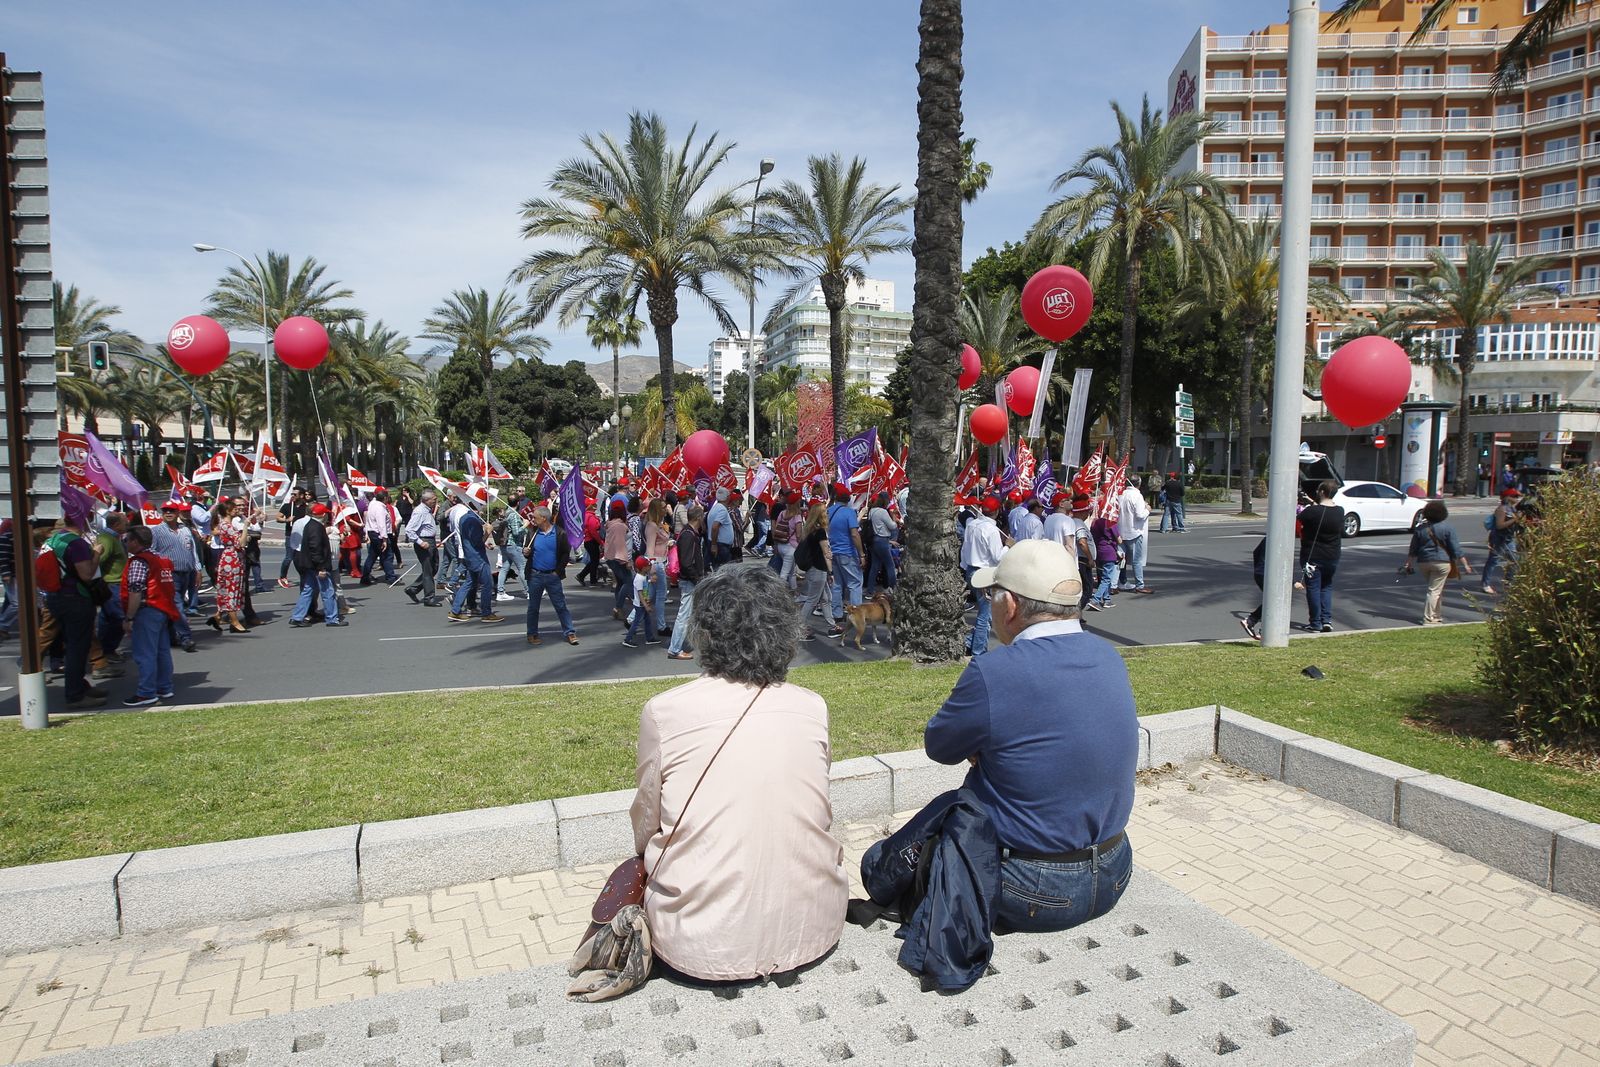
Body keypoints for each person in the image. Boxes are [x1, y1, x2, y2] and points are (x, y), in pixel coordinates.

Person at [629, 565, 846, 981]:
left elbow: (646, 823)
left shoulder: (666, 711)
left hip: (699, 940)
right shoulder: (811, 706)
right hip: (814, 924)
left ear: (705, 632)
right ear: (785, 633)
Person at [915, 539, 1136, 933]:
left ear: (1010, 605)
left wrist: (988, 747)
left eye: (992, 594)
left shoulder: (995, 670)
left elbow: (940, 746)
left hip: (1034, 888)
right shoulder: (1108, 655)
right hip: (1116, 867)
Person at [39, 516, 105, 708]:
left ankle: (80, 686)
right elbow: (86, 574)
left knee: (72, 644)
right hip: (75, 597)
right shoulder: (75, 543)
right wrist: (96, 553)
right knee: (78, 647)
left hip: (54, 596)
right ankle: (75, 694)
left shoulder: (51, 540)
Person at [119, 525, 180, 707]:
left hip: (147, 609)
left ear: (135, 542)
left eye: (127, 540)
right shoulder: (161, 559)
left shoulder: (139, 561)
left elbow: (135, 591)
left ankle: (146, 692)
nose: (125, 543)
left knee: (145, 653)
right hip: (162, 608)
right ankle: (164, 686)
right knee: (162, 651)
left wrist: (129, 617)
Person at [1402, 500, 1472, 626]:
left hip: (1424, 562)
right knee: (1434, 590)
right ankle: (1428, 618)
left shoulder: (1420, 529)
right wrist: (1465, 564)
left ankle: (1437, 616)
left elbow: (1413, 550)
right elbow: (1456, 549)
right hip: (1442, 562)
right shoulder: (1447, 528)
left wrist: (1408, 564)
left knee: (1436, 589)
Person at [524, 505, 578, 647]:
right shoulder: (532, 533)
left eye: (535, 517)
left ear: (544, 518)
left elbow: (565, 554)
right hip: (535, 575)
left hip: (552, 576)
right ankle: (532, 633)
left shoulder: (560, 533)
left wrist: (557, 572)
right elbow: (526, 552)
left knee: (561, 606)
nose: (533, 520)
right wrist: (526, 552)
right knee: (533, 607)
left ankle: (570, 632)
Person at [960, 497, 1005, 654]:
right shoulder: (991, 530)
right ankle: (978, 651)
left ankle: (970, 643)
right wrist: (1007, 547)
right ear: (996, 511)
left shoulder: (972, 525)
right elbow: (997, 557)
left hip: (972, 569)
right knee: (985, 616)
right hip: (984, 573)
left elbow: (964, 550)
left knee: (985, 613)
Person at [151, 503, 199, 652]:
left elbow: (193, 550)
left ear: (177, 513)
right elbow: (151, 551)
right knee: (177, 605)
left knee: (174, 606)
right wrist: (163, 562)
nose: (168, 513)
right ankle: (186, 637)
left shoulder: (185, 529)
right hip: (169, 574)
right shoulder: (157, 531)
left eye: (172, 511)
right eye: (165, 510)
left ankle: (171, 636)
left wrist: (197, 569)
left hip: (187, 572)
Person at [1297, 480, 1344, 633]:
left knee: (1313, 588)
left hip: (1313, 556)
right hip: (1332, 556)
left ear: (1322, 492)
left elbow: (1301, 517)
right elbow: (1324, 511)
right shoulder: (1340, 511)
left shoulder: (1312, 512)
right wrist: (1312, 503)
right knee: (1326, 587)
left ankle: (1315, 622)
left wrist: (1308, 504)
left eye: (1318, 491)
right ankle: (1326, 620)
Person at [289, 504, 346, 627]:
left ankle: (297, 616)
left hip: (309, 565)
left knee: (308, 590)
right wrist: (321, 567)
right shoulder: (317, 527)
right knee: (328, 591)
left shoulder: (310, 525)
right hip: (317, 566)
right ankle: (332, 618)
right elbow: (315, 548)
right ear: (323, 515)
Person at [449, 502, 503, 623]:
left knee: (470, 582)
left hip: (469, 555)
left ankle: (455, 610)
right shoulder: (472, 520)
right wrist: (487, 532)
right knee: (487, 583)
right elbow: (477, 542)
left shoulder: (465, 518)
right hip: (477, 556)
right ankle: (486, 612)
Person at [666, 505, 705, 660]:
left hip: (691, 579)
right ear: (698, 518)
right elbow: (687, 562)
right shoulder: (688, 535)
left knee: (691, 613)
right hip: (689, 580)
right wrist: (697, 579)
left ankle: (691, 641)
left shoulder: (689, 533)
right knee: (684, 615)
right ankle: (675, 649)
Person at [825, 483, 864, 637]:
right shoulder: (849, 512)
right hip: (848, 552)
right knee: (855, 583)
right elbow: (854, 534)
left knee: (837, 584)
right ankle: (855, 614)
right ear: (848, 498)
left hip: (834, 552)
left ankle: (836, 613)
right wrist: (861, 553)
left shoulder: (829, 511)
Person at [207, 500, 248, 634]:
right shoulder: (227, 526)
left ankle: (218, 617)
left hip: (232, 558)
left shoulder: (226, 525)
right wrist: (246, 527)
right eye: (234, 508)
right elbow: (240, 543)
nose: (237, 510)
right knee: (232, 589)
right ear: (228, 511)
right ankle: (234, 621)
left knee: (230, 588)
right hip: (232, 560)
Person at [94, 511, 130, 660]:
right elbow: (98, 560)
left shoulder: (114, 538)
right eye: (125, 522)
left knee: (106, 618)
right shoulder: (107, 540)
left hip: (115, 583)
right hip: (111, 584)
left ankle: (103, 649)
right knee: (118, 619)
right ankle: (108, 649)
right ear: (116, 525)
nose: (128, 524)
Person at [794, 503, 831, 642]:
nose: (827, 514)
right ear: (820, 515)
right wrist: (831, 571)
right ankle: (799, 628)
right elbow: (826, 553)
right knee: (812, 600)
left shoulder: (809, 529)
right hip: (818, 568)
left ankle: (832, 624)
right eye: (825, 512)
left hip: (813, 568)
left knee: (826, 598)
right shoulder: (820, 531)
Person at [404, 490, 442, 606]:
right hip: (424, 542)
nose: (436, 502)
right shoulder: (419, 511)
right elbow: (409, 529)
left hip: (430, 540)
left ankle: (413, 588)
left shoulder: (427, 510)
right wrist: (420, 542)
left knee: (434, 567)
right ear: (427, 500)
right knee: (428, 570)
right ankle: (429, 597)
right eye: (434, 500)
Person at [1481, 488, 1521, 595]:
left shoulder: (1513, 509)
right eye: (1514, 496)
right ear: (1507, 498)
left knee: (1515, 561)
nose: (1517, 498)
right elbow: (1499, 525)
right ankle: (1485, 584)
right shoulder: (1502, 509)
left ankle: (1508, 583)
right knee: (1493, 561)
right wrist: (1515, 519)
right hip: (1499, 539)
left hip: (1509, 539)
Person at [1116, 481, 1152, 594]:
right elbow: (1140, 515)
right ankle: (1139, 585)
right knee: (1137, 560)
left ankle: (1119, 582)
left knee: (1121, 559)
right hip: (1133, 532)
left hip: (1121, 532)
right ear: (1139, 484)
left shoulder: (1121, 494)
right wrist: (1147, 510)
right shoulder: (1137, 495)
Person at [643, 499, 673, 633]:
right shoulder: (652, 526)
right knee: (660, 596)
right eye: (662, 508)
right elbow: (650, 549)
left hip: (661, 561)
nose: (664, 510)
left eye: (665, 507)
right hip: (657, 563)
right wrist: (653, 568)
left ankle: (631, 619)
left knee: (651, 595)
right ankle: (661, 626)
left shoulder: (658, 525)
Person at [864, 492, 900, 596]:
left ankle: (870, 590)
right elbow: (892, 526)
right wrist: (893, 517)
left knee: (875, 566)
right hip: (882, 540)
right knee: (890, 565)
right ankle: (893, 588)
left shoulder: (872, 511)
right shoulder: (883, 512)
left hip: (873, 540)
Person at [602, 501, 633, 619]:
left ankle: (619, 608)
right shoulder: (619, 526)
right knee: (628, 581)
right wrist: (626, 561)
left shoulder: (611, 524)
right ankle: (618, 607)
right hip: (619, 558)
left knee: (621, 582)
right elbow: (620, 544)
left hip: (612, 557)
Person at [361, 488, 398, 586]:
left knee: (372, 556)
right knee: (387, 555)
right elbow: (381, 524)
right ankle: (391, 577)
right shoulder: (380, 508)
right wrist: (385, 539)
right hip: (379, 535)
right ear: (385, 498)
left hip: (373, 533)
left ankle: (365, 577)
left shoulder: (373, 505)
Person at [622, 556, 660, 647]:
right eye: (648, 566)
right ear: (643, 568)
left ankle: (649, 638)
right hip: (640, 605)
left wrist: (650, 581)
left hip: (643, 604)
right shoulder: (639, 578)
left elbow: (645, 584)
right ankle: (628, 639)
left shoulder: (644, 576)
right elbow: (640, 594)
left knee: (647, 621)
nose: (650, 567)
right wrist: (646, 605)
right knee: (636, 623)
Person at [495, 500, 529, 602]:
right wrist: (525, 525)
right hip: (513, 544)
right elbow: (516, 532)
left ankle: (500, 592)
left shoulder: (506, 513)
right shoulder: (513, 515)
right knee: (522, 568)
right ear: (518, 503)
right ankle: (529, 592)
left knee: (504, 568)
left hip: (504, 545)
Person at [276, 488, 310, 588]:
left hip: (303, 535)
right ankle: (282, 577)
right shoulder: (287, 506)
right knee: (289, 557)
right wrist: (286, 520)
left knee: (303, 556)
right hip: (290, 534)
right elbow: (278, 517)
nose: (293, 496)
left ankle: (305, 576)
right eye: (292, 494)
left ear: (301, 496)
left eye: (295, 494)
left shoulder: (306, 507)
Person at [1087, 509, 1120, 612]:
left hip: (1099, 551)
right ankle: (1095, 599)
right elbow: (1119, 539)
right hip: (1109, 551)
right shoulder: (1109, 522)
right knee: (1107, 578)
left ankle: (1107, 599)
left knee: (1102, 576)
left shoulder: (1095, 522)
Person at [577, 502, 606, 587]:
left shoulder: (587, 515)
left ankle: (583, 576)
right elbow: (593, 531)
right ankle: (590, 579)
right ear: (591, 506)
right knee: (594, 561)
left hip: (589, 541)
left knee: (594, 561)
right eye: (594, 504)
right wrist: (601, 542)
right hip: (591, 541)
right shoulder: (590, 517)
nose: (596, 505)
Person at [706, 487, 736, 569]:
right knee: (722, 570)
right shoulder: (722, 509)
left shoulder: (715, 507)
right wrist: (714, 544)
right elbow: (715, 526)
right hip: (721, 546)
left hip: (719, 544)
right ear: (727, 497)